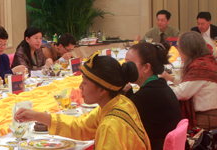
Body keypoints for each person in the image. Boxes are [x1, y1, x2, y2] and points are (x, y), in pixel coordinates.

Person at [15, 53, 151, 149]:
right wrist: (35, 115)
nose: (80, 87)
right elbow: (81, 127)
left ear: (102, 90)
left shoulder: (110, 125)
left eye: (85, 83)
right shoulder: (119, 102)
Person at [123, 43, 182, 150]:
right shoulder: (160, 86)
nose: (125, 68)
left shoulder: (145, 96)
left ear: (146, 67)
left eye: (129, 64)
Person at [161, 32, 217, 130]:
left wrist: (158, 91)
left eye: (179, 48)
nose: (178, 52)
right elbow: (192, 84)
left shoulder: (200, 67)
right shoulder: (207, 61)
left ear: (187, 50)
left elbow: (181, 93)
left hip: (206, 119)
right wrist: (171, 78)